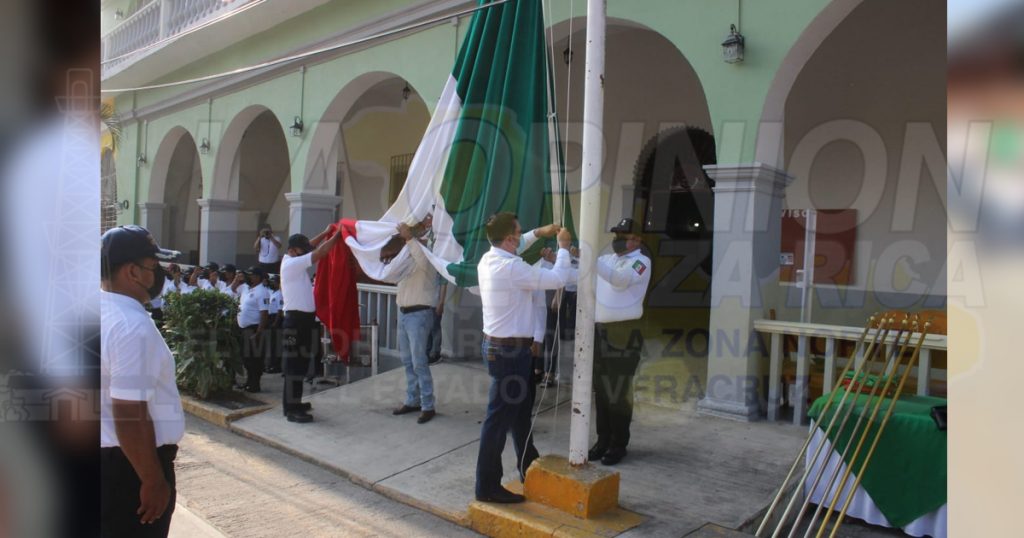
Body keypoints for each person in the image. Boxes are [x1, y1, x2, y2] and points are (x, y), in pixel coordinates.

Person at [475, 213, 571, 504]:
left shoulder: (489, 258)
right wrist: (564, 247)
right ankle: (487, 486)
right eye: (518, 234)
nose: (521, 237)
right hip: (510, 353)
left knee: (518, 415)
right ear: (508, 239)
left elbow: (518, 243)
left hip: (502, 348)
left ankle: (527, 464)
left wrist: (537, 232)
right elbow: (558, 278)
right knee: (498, 421)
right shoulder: (512, 267)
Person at [100, 225, 184, 537]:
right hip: (128, 470)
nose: (158, 273)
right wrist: (152, 478)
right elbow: (129, 412)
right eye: (153, 265)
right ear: (133, 271)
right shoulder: (130, 327)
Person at [588, 218, 653, 466]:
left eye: (622, 235)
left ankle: (618, 443)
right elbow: (585, 273)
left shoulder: (641, 262)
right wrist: (565, 259)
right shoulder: (607, 260)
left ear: (636, 239)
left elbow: (619, 280)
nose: (616, 239)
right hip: (601, 330)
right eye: (615, 234)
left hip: (625, 332)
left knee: (618, 391)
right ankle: (602, 439)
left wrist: (588, 261)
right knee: (601, 390)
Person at [279, 225, 343, 423]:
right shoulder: (291, 264)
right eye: (302, 249)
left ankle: (295, 402)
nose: (306, 250)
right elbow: (319, 252)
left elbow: (311, 246)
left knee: (300, 363)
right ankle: (291, 409)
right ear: (292, 251)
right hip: (294, 321)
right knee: (293, 366)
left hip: (303, 321)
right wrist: (337, 236)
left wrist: (324, 233)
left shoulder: (292, 257)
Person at [392, 218, 441, 424]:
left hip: (419, 314)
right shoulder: (409, 255)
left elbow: (422, 258)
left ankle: (428, 404)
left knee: (419, 361)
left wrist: (411, 238)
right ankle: (413, 399)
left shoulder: (427, 256)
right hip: (404, 313)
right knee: (407, 360)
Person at [237, 267, 271, 392]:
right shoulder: (248, 289)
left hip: (254, 329)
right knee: (246, 358)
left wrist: (258, 332)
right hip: (244, 328)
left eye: (251, 275)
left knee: (255, 359)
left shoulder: (262, 291)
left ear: (257, 277)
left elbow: (264, 314)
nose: (248, 277)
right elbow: (234, 289)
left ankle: (255, 384)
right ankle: (249, 382)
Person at [265, 274, 283, 374]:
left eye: (274, 281)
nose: (272, 283)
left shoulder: (279, 294)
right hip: (270, 318)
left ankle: (276, 366)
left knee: (276, 344)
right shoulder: (272, 293)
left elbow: (280, 310)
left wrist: (276, 322)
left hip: (276, 318)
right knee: (271, 344)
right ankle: (271, 364)